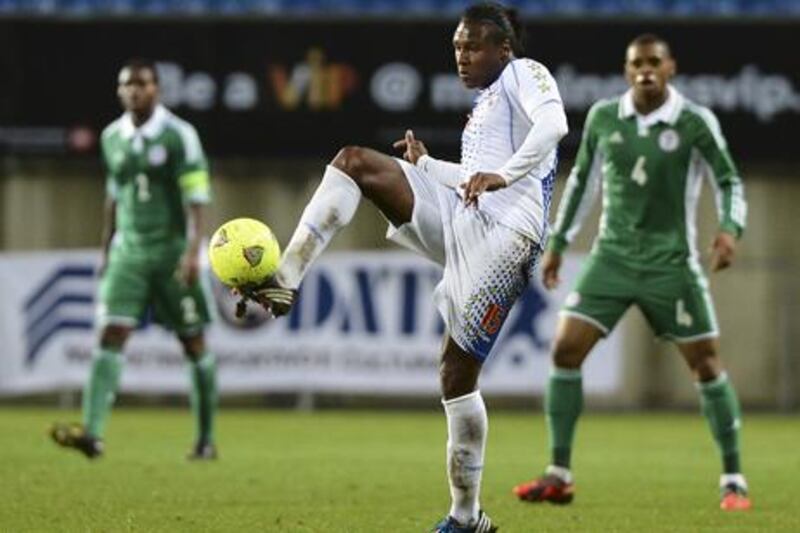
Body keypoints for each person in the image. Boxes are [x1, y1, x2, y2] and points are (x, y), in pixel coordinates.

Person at [238, 3, 567, 531]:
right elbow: (474, 177)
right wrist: (426, 166)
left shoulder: (526, 74)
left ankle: (466, 518)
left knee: (456, 374)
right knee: (354, 162)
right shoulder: (486, 105)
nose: (462, 56)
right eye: (457, 46)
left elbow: (555, 124)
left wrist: (503, 177)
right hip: (465, 215)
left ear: (503, 49)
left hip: (508, 239)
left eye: (474, 46)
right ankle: (285, 279)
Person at [512, 34, 750, 511]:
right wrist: (557, 242)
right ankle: (559, 473)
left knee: (705, 363)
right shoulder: (604, 117)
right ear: (626, 71)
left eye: (653, 62)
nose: (645, 70)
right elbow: (583, 180)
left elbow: (728, 180)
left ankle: (733, 479)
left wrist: (729, 231)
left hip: (672, 263)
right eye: (636, 63)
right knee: (564, 349)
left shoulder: (693, 122)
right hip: (613, 258)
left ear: (670, 68)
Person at [50, 59, 218, 461]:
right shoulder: (112, 136)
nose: (134, 91)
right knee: (110, 334)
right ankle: (92, 434)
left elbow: (196, 197)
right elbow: (113, 195)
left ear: (157, 89)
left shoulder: (179, 135)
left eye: (141, 84)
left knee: (193, 343)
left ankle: (205, 440)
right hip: (128, 251)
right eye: (127, 85)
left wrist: (194, 252)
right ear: (119, 91)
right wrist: (106, 249)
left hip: (173, 250)